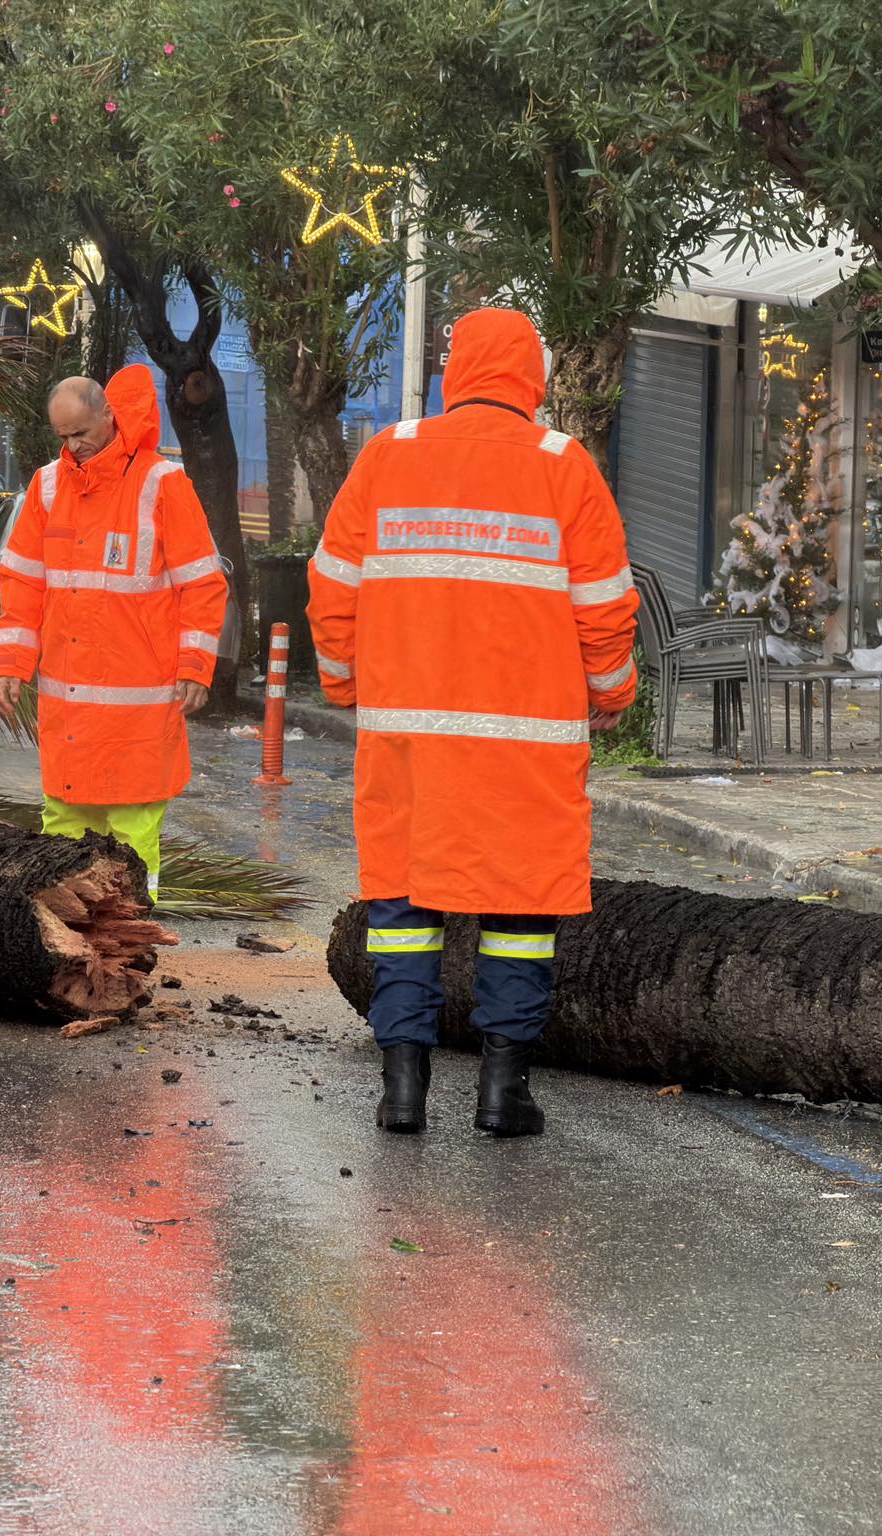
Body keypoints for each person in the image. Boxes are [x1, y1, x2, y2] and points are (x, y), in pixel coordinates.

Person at [306, 307, 640, 1137]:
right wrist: (612, 693)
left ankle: (403, 1089)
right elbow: (604, 605)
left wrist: (345, 686)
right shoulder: (565, 466)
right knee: (519, 914)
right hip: (524, 742)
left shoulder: (390, 455)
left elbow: (332, 586)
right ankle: (502, 1092)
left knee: (403, 907)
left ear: (453, 373)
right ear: (535, 379)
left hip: (409, 737)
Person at [0, 368, 229, 900]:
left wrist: (195, 669)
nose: (72, 446)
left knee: (133, 827)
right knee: (62, 824)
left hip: (139, 705)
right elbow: (23, 584)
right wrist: (8, 665)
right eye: (62, 437)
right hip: (69, 700)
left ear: (108, 416)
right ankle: (57, 938)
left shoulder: (161, 483)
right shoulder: (48, 485)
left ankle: (132, 934)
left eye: (80, 432)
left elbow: (202, 584)